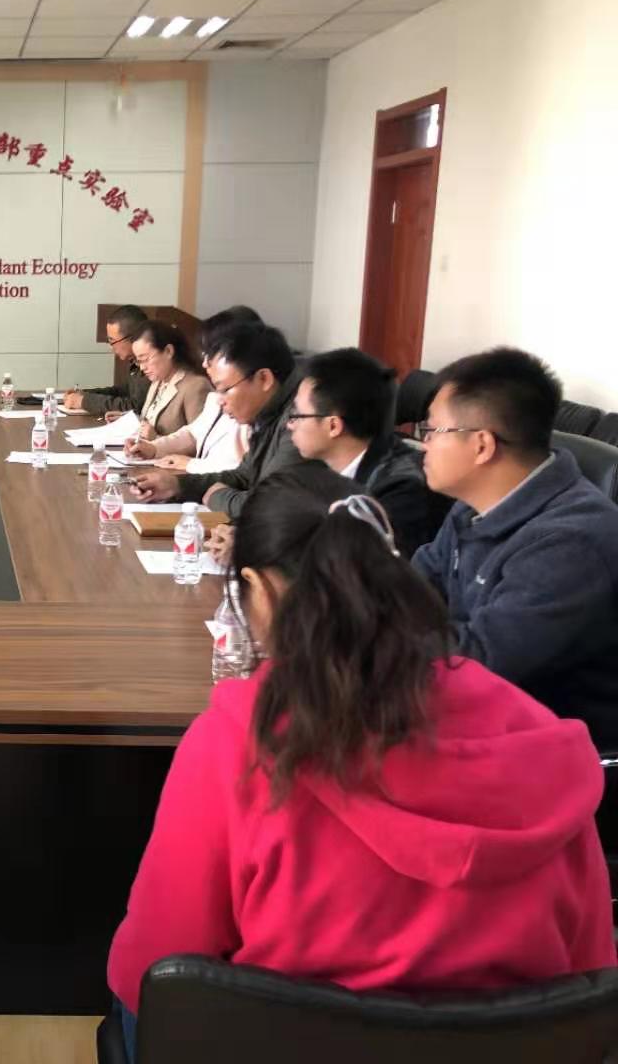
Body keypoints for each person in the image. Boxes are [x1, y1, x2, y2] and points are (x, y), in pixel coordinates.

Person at [107, 464, 614, 1061]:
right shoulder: (540, 738)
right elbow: (591, 974)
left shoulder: (237, 739)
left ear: (259, 590)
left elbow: (155, 965)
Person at [413, 348, 618, 746]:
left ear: (482, 446)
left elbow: (478, 665)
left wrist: (372, 639)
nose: (423, 444)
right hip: (476, 716)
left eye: (433, 431)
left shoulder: (572, 543)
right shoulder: (473, 504)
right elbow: (413, 584)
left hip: (554, 747)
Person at [287, 347, 449, 557]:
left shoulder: (400, 493)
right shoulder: (319, 467)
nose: (290, 424)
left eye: (297, 415)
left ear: (333, 426)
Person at [131, 320, 301, 518]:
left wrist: (217, 496)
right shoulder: (265, 416)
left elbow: (270, 506)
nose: (219, 401)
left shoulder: (298, 424)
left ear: (264, 379)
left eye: (225, 390)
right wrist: (177, 485)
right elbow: (243, 476)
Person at [123, 307, 261, 475]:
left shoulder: (252, 407)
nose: (205, 363)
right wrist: (153, 448)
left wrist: (191, 464)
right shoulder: (215, 397)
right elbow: (193, 433)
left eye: (212, 354)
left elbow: (241, 471)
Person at [63, 304, 151, 417]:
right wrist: (85, 394)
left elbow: (135, 408)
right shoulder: (135, 362)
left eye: (112, 341)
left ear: (133, 337)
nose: (111, 347)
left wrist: (83, 401)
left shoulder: (151, 365)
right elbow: (123, 392)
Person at [128, 320, 211, 439]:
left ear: (168, 351)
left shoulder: (196, 386)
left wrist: (156, 438)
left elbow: (202, 442)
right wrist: (130, 421)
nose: (142, 367)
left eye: (145, 359)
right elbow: (149, 423)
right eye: (139, 361)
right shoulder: (158, 381)